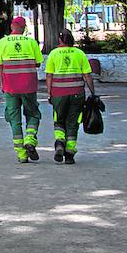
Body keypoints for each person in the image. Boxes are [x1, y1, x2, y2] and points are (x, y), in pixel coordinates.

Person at [0, 16, 42, 163]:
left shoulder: (2, 43)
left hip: (10, 87)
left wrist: (2, 84)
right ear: (24, 27)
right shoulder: (31, 42)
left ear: (11, 27)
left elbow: (0, 66)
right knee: (33, 114)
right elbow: (38, 63)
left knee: (14, 119)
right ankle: (30, 139)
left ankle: (21, 153)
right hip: (29, 86)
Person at [45, 29, 95, 164]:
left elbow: (49, 75)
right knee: (73, 122)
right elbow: (87, 76)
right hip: (77, 94)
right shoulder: (79, 54)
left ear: (60, 40)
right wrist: (93, 92)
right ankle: (70, 153)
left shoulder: (54, 54)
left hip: (58, 94)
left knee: (59, 120)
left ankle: (60, 142)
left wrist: (50, 92)